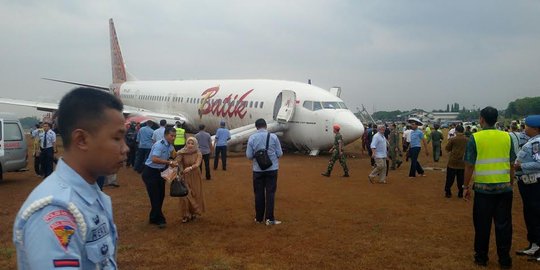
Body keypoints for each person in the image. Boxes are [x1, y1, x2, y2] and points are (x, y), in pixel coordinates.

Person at [13, 87, 128, 269]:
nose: (125, 148)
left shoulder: (88, 193)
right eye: (116, 138)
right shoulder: (57, 212)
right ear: (81, 139)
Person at [463, 106, 515, 268]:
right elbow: (512, 163)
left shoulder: (475, 138)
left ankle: (481, 257)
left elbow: (469, 165)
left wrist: (466, 186)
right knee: (504, 225)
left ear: (481, 119)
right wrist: (511, 182)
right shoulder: (507, 137)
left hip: (483, 190)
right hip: (504, 188)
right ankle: (504, 259)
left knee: (482, 225)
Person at [246, 118, 283, 225]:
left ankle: (258, 218)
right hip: (272, 168)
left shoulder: (252, 138)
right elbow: (280, 153)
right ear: (266, 126)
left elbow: (249, 155)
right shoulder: (273, 137)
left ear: (256, 127)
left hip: (258, 169)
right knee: (270, 193)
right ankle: (269, 219)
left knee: (258, 193)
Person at [514, 115, 540, 260]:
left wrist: (520, 166)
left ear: (535, 128)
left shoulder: (537, 143)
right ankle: (534, 245)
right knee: (530, 215)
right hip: (528, 183)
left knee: (536, 214)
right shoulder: (532, 141)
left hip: (534, 184)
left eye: (527, 126)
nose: (525, 128)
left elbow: (539, 164)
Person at [141, 126, 178, 228]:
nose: (173, 138)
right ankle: (160, 219)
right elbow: (154, 159)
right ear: (166, 135)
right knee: (155, 196)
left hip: (161, 172)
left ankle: (153, 217)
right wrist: (169, 162)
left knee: (160, 195)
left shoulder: (169, 146)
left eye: (175, 136)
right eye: (171, 136)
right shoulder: (159, 145)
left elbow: (173, 155)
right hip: (151, 172)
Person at [176, 137, 206, 223]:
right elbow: (177, 162)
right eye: (188, 143)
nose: (190, 145)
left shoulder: (198, 153)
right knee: (185, 195)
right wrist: (179, 169)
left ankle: (193, 212)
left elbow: (197, 163)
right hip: (184, 175)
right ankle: (185, 215)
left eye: (192, 143)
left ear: (195, 144)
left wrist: (190, 168)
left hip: (195, 175)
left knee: (195, 193)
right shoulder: (182, 152)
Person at [444, 125, 468, 198]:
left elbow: (447, 148)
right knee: (461, 179)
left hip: (453, 161)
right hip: (462, 162)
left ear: (456, 131)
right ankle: (460, 193)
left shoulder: (453, 139)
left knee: (450, 179)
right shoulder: (467, 139)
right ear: (463, 131)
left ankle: (448, 192)